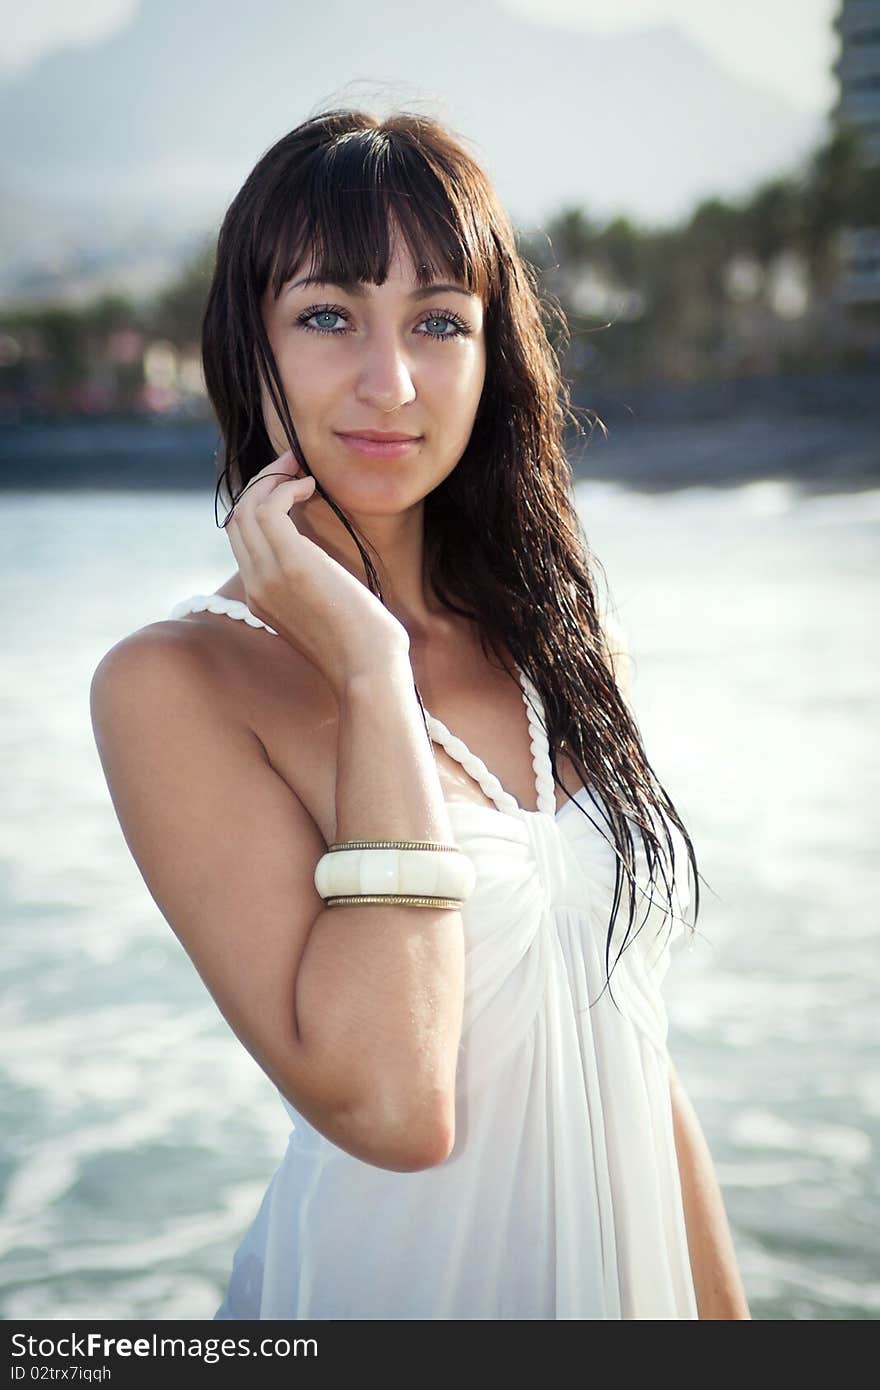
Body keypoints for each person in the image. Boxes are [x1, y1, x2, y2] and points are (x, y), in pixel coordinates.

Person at [89, 108, 750, 1320]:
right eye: (328, 316)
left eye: (438, 321)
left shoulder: (551, 637)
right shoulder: (174, 682)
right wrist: (368, 670)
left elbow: (633, 1062)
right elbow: (394, 1108)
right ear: (251, 347)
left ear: (493, 354)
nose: (389, 382)